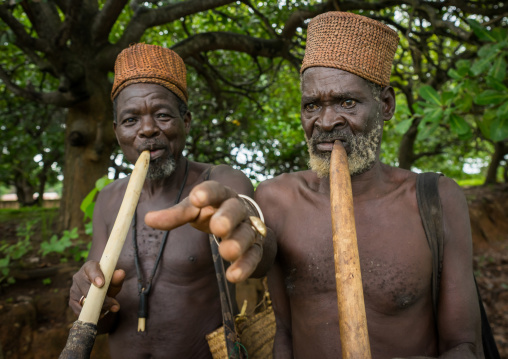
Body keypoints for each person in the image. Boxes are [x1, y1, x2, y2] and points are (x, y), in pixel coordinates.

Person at [251, 11, 484, 359]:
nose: (326, 122)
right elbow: (280, 335)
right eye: (312, 106)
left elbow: (464, 346)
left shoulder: (435, 200)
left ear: (385, 105)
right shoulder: (276, 200)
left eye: (347, 102)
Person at [68, 43, 275, 359]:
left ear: (186, 122)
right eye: (130, 120)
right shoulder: (108, 200)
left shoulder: (218, 180)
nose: (148, 129)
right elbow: (106, 321)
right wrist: (87, 300)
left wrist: (249, 231)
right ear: (116, 132)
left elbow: (261, 249)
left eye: (162, 115)